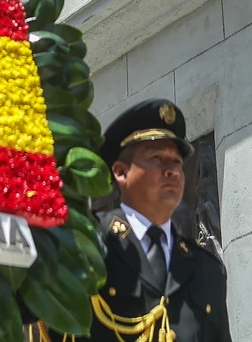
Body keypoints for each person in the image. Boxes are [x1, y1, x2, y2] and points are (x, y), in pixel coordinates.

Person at [86, 99, 231, 342]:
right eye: (156, 158)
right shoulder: (89, 242)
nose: (172, 170)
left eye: (176, 161)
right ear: (121, 172)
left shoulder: (208, 270)